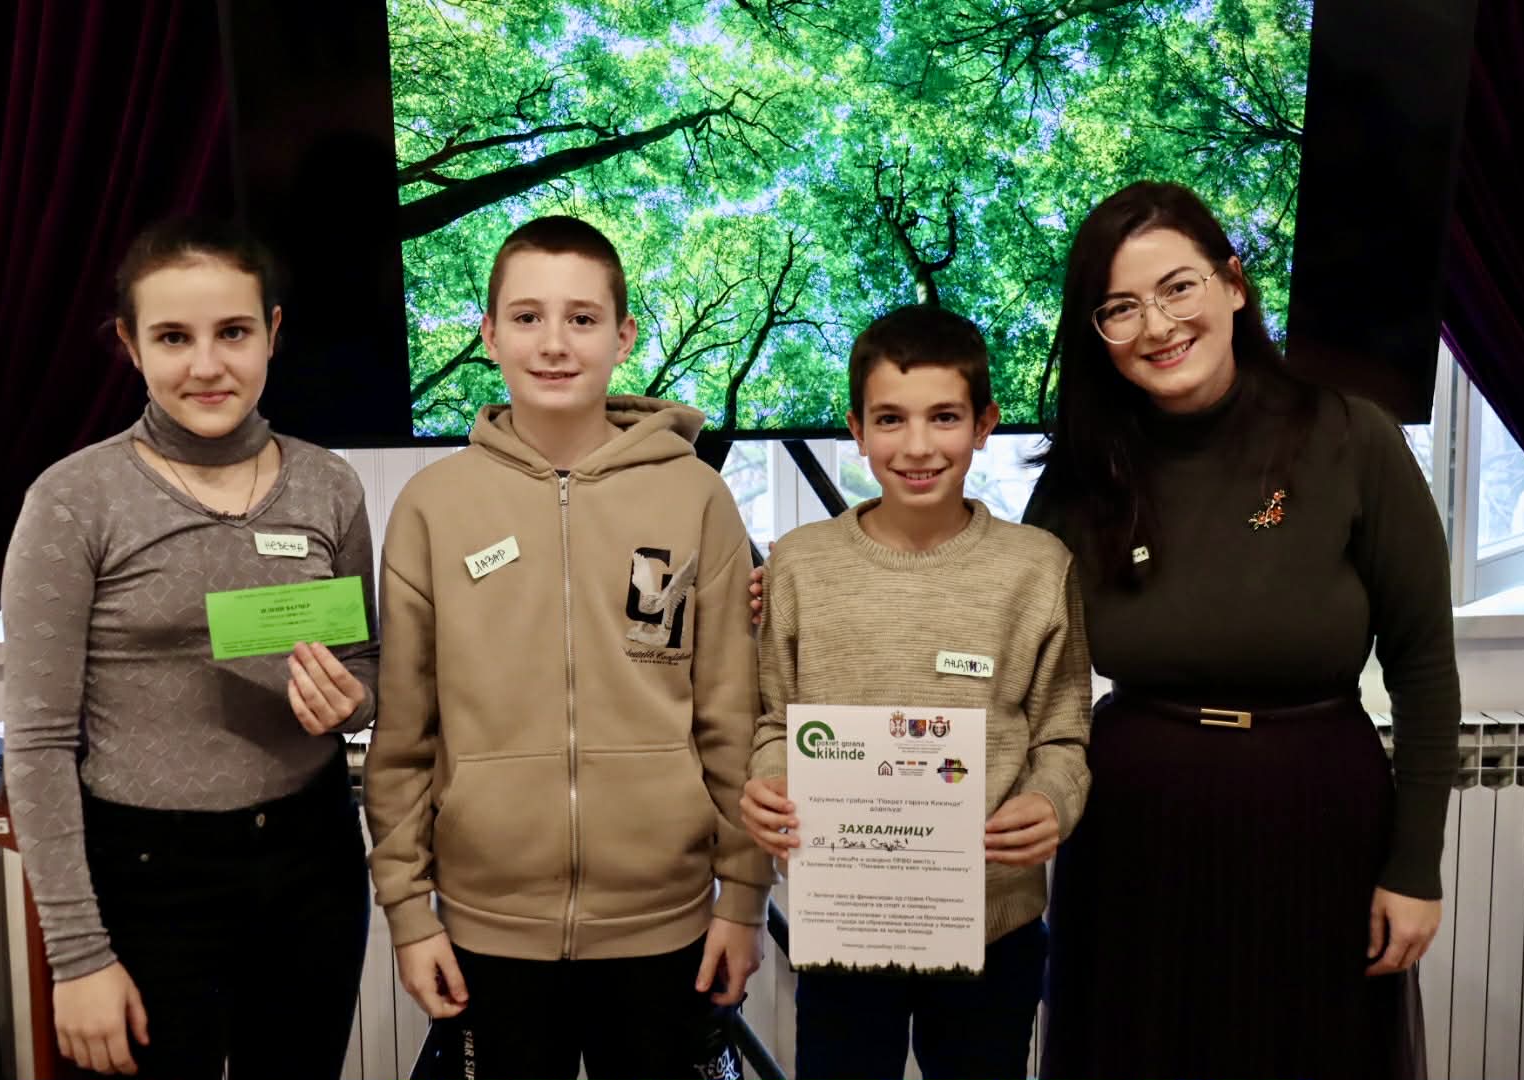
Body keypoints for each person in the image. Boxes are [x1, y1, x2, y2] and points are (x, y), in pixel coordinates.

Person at [1023, 180, 1458, 1079]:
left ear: (1232, 284)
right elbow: (1000, 625)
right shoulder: (1082, 472)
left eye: (1178, 287)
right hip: (1133, 840)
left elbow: (1423, 667)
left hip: (1321, 829)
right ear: (1097, 332)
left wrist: (1416, 867)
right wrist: (810, 591)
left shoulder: (1350, 435)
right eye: (1120, 307)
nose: (1157, 325)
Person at [363, 215, 771, 1079]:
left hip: (666, 925)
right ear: (488, 334)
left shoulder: (695, 498)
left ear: (623, 336)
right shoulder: (435, 507)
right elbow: (403, 738)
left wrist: (742, 896)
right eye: (527, 317)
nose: (554, 343)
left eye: (582, 318)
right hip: (487, 927)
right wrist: (408, 911)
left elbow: (731, 719)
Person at [2, 218, 379, 1078]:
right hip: (144, 880)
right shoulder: (74, 500)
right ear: (130, 344)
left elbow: (367, 663)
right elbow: (38, 743)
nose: (207, 365)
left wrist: (355, 700)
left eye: (232, 332)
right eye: (174, 337)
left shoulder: (328, 483)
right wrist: (78, 956)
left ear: (272, 333)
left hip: (312, 862)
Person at [739, 304, 1093, 1080]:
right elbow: (775, 720)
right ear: (857, 430)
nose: (919, 445)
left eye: (945, 417)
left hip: (993, 927)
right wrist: (769, 781)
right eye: (891, 419)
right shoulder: (800, 565)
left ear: (984, 424)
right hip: (846, 921)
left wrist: (1051, 802)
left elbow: (1063, 735)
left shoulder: (1039, 567)